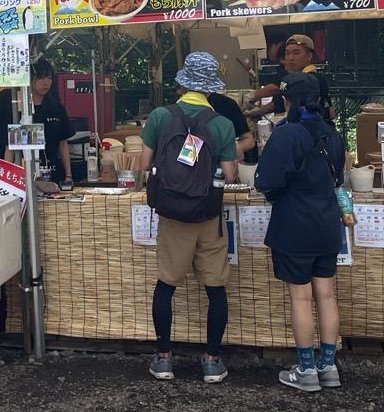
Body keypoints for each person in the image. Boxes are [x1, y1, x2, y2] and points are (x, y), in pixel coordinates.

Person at [138, 52, 239, 384]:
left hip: (171, 213)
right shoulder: (221, 124)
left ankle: (164, 358)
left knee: (167, 283)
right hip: (207, 214)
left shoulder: (159, 116)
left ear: (183, 82)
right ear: (210, 89)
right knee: (215, 286)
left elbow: (145, 163)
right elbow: (229, 171)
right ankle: (211, 360)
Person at [254, 72, 346, 392]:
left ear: (288, 100)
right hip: (327, 225)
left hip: (294, 226)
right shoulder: (333, 135)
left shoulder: (286, 134)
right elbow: (338, 180)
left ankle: (306, 370)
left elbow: (265, 181)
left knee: (301, 297)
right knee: (327, 294)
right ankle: (329, 365)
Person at [0, 60, 73, 188]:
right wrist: (6, 181)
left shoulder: (56, 108)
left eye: (49, 78)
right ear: (29, 80)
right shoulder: (20, 110)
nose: (46, 82)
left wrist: (69, 175)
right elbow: (10, 148)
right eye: (40, 78)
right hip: (23, 175)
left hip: (53, 173)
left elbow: (63, 143)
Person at [206, 90, 257, 162]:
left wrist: (238, 148)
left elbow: (249, 141)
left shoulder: (226, 104)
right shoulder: (185, 110)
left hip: (223, 164)